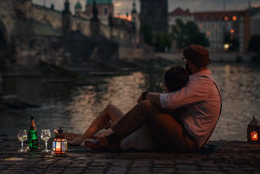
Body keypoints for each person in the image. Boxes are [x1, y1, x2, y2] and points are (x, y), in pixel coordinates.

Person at [84, 44, 222, 152]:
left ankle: (109, 140)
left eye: (185, 60)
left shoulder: (202, 84)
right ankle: (112, 133)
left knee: (146, 107)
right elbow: (171, 100)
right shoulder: (200, 81)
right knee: (150, 106)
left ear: (190, 62)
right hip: (186, 135)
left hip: (187, 141)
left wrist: (146, 95)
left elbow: (170, 101)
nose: (185, 63)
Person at [70, 65, 189, 149]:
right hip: (137, 132)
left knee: (110, 113)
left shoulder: (168, 103)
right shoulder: (176, 100)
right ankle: (84, 137)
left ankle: (88, 139)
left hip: (135, 139)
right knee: (110, 108)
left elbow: (141, 116)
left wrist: (114, 127)